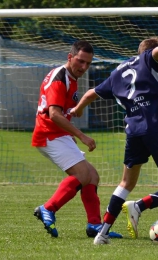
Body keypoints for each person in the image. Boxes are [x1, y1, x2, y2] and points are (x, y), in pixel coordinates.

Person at [70, 37, 158, 244]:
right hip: (156, 127)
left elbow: (91, 93)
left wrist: (77, 109)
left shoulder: (118, 72)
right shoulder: (148, 59)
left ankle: (102, 233)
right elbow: (155, 54)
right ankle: (139, 206)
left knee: (126, 183)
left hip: (134, 131)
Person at [31, 40, 122, 239]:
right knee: (82, 174)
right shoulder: (60, 77)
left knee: (92, 175)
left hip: (58, 134)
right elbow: (54, 114)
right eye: (80, 61)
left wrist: (73, 110)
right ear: (70, 57)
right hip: (49, 134)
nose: (84, 67)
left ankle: (94, 225)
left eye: (88, 63)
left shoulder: (70, 78)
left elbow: (60, 109)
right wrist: (82, 136)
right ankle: (48, 208)